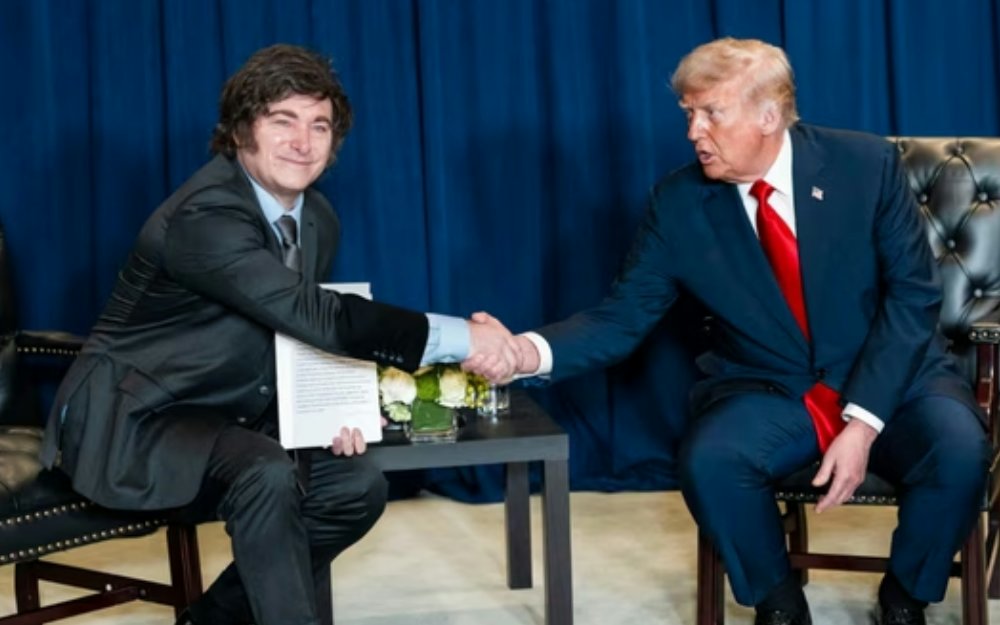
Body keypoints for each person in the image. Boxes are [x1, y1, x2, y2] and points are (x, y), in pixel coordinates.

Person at [466, 38, 989, 625]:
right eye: (689, 114)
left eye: (711, 113)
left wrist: (863, 422)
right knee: (712, 460)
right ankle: (778, 603)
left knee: (959, 451)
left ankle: (905, 597)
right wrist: (522, 352)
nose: (694, 131)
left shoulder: (865, 166)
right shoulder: (678, 202)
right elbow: (621, 317)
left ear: (769, 115)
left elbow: (913, 297)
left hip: (892, 377)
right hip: (771, 388)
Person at [40, 44, 517, 625]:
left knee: (355, 484)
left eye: (320, 125)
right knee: (265, 472)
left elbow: (291, 333)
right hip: (137, 418)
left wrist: (329, 410)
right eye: (282, 121)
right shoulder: (206, 216)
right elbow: (314, 314)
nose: (303, 142)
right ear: (242, 129)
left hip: (228, 410)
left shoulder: (317, 218)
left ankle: (209, 620)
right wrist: (466, 339)